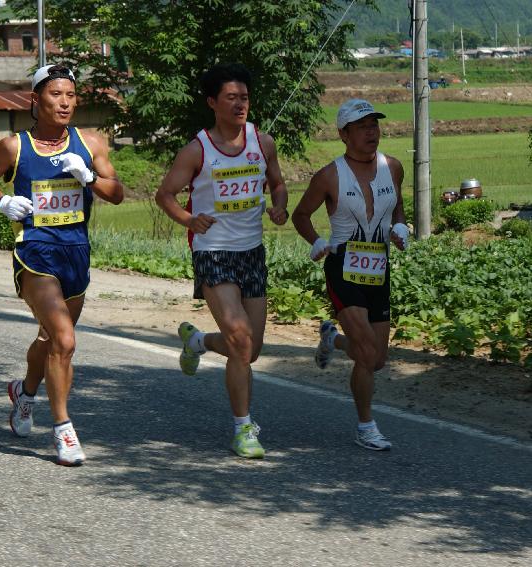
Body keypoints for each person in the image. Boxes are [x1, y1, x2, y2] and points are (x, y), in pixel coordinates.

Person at [0, 64, 124, 466]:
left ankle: (24, 393)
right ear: (36, 101)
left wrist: (88, 177)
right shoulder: (14, 147)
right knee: (65, 340)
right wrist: (2, 201)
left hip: (75, 252)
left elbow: (118, 193)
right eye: (56, 94)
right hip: (35, 252)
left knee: (51, 339)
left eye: (71, 95)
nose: (65, 102)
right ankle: (64, 430)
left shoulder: (90, 143)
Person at [155, 63, 288, 459]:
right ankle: (243, 428)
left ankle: (196, 341)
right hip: (212, 251)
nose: (240, 104)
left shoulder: (263, 142)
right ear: (213, 102)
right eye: (231, 98)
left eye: (244, 97)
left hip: (252, 251)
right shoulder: (197, 150)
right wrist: (189, 219)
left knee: (251, 349)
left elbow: (278, 184)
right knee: (241, 339)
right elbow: (165, 195)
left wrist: (279, 208)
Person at [291, 99, 409, 451]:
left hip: (379, 270)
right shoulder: (329, 175)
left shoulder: (394, 167)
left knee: (377, 359)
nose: (371, 131)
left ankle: (333, 340)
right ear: (344, 134)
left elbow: (398, 205)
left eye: (374, 124)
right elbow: (301, 215)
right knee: (368, 351)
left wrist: (400, 226)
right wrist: (316, 241)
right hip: (343, 267)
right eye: (362, 126)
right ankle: (366, 426)